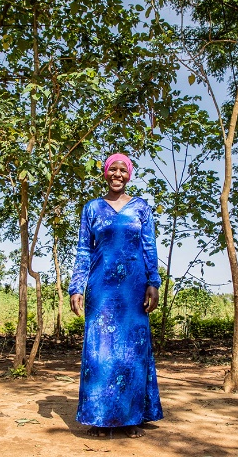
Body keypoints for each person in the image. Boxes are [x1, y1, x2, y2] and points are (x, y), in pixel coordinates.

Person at [69, 153, 163, 439]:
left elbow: (149, 248)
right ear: (106, 173)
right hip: (102, 289)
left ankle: (131, 418)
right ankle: (99, 419)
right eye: (113, 169)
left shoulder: (141, 209)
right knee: (100, 353)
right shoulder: (92, 209)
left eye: (123, 170)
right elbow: (84, 250)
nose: (118, 174)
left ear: (129, 174)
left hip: (134, 291)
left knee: (131, 353)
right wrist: (76, 286)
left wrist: (154, 282)